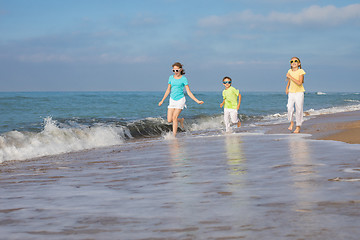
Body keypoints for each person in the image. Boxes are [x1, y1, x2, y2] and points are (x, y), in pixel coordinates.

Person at [158, 62, 204, 136]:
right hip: (172, 100)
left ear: (180, 69)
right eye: (174, 70)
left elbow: (189, 92)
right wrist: (162, 100)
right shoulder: (170, 78)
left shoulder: (184, 79)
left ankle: (174, 136)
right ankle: (181, 120)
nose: (175, 72)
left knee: (174, 117)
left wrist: (197, 101)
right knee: (169, 120)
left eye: (177, 70)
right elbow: (168, 90)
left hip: (180, 100)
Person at [285, 57, 306, 133]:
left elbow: (300, 82)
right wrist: (287, 88)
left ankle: (298, 126)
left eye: (295, 61)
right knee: (289, 107)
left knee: (299, 109)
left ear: (299, 63)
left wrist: (290, 76)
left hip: (299, 92)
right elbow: (289, 81)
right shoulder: (289, 71)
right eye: (292, 61)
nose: (293, 62)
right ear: (290, 63)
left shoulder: (301, 71)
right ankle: (291, 123)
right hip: (291, 92)